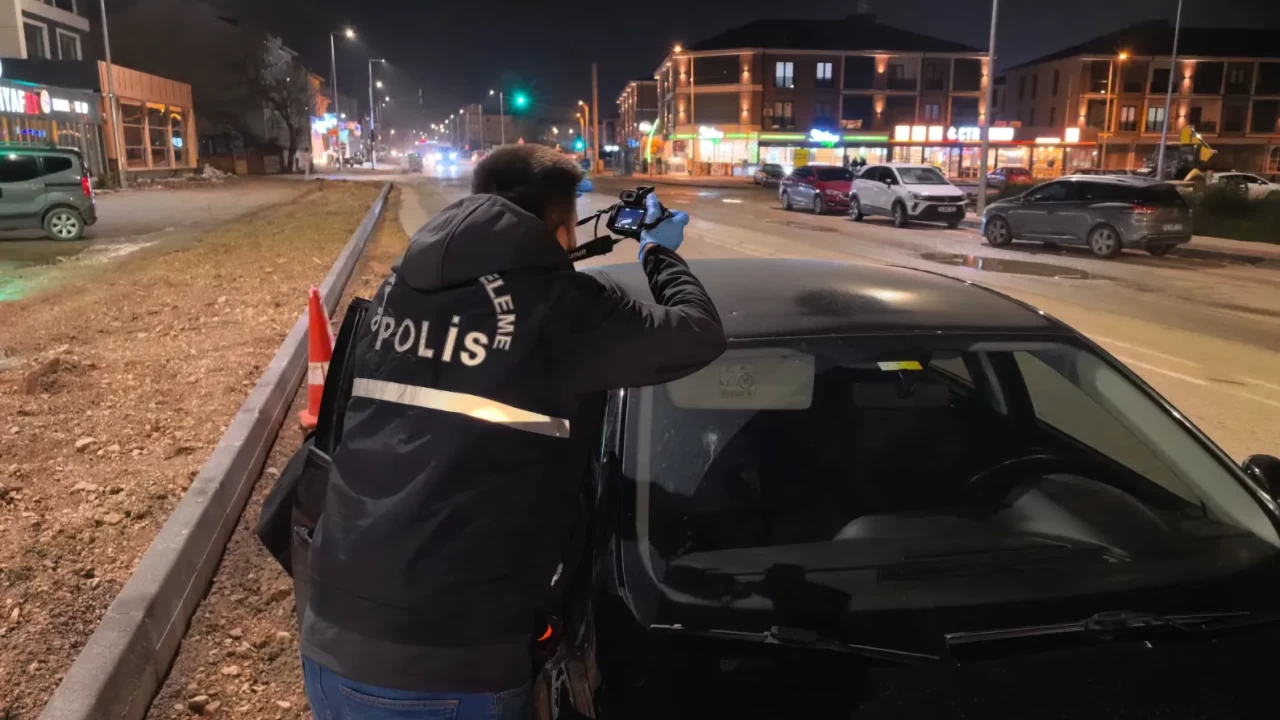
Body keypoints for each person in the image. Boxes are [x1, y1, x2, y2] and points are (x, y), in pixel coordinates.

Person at [300, 144, 726, 719]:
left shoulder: (397, 291)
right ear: (557, 225)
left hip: (330, 636)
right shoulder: (565, 310)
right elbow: (698, 333)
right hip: (449, 667)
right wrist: (657, 252)